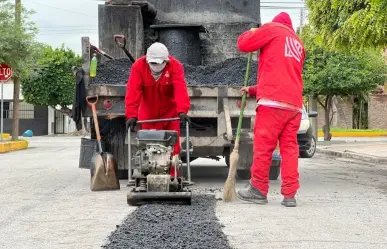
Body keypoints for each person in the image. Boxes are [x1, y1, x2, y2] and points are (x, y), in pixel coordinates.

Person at [235, 12, 306, 207]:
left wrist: (250, 32)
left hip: (272, 105)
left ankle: (258, 189)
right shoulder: (298, 44)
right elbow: (283, 76)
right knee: (290, 149)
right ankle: (290, 195)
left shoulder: (272, 29)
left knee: (263, 147)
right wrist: (252, 90)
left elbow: (243, 45)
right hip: (293, 105)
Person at [124, 42, 191, 177]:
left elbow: (180, 89)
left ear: (166, 61)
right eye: (152, 63)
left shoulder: (175, 66)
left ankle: (172, 177)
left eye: (158, 63)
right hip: (148, 114)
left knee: (172, 146)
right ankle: (149, 176)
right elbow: (133, 91)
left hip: (170, 114)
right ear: (148, 60)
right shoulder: (138, 66)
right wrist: (131, 115)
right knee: (147, 146)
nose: (155, 66)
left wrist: (182, 111)